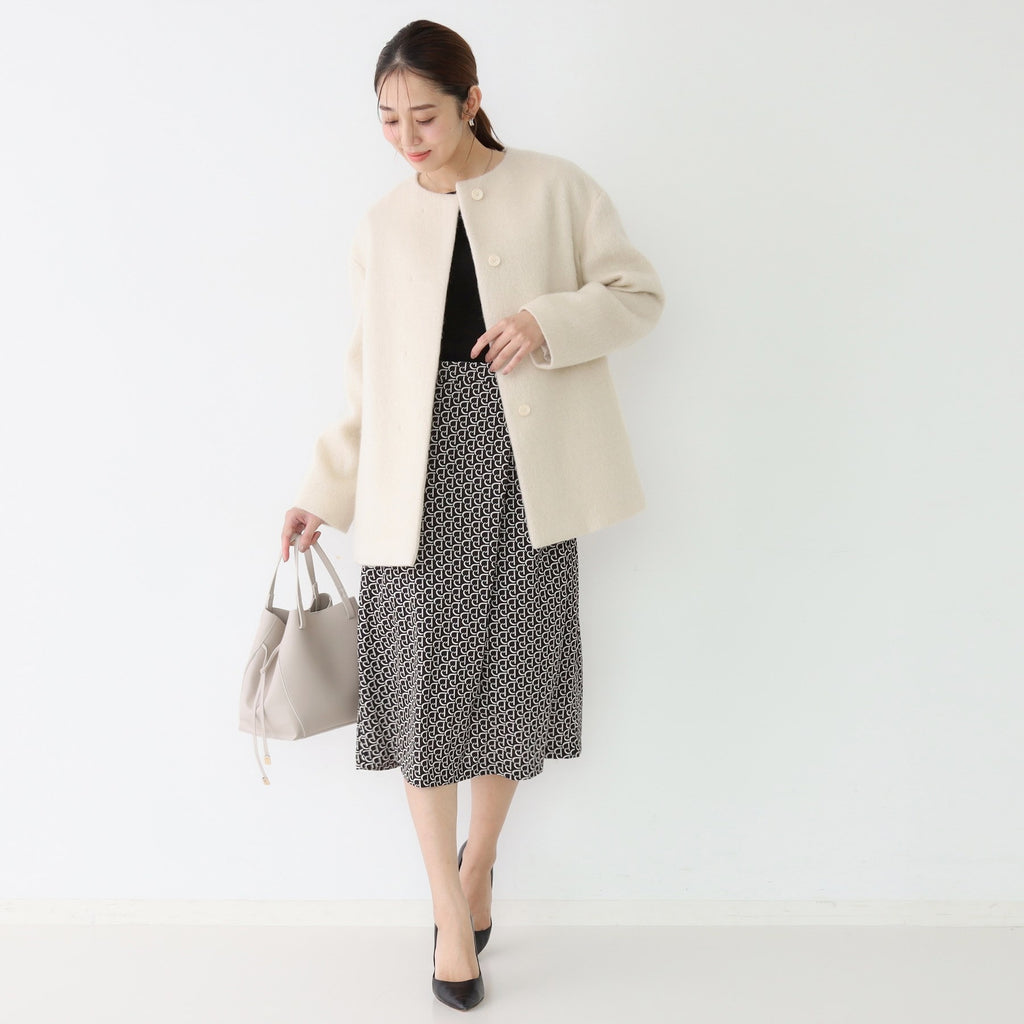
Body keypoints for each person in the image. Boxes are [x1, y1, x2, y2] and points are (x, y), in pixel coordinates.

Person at [279, 19, 664, 1012]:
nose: (407, 137)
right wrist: (322, 493)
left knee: (512, 678)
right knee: (425, 693)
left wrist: (546, 320)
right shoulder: (380, 226)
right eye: (388, 120)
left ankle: (480, 860)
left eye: (425, 115)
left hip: (531, 470)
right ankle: (450, 913)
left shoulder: (556, 188)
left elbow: (637, 295)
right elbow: (366, 384)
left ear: (472, 100)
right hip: (413, 482)